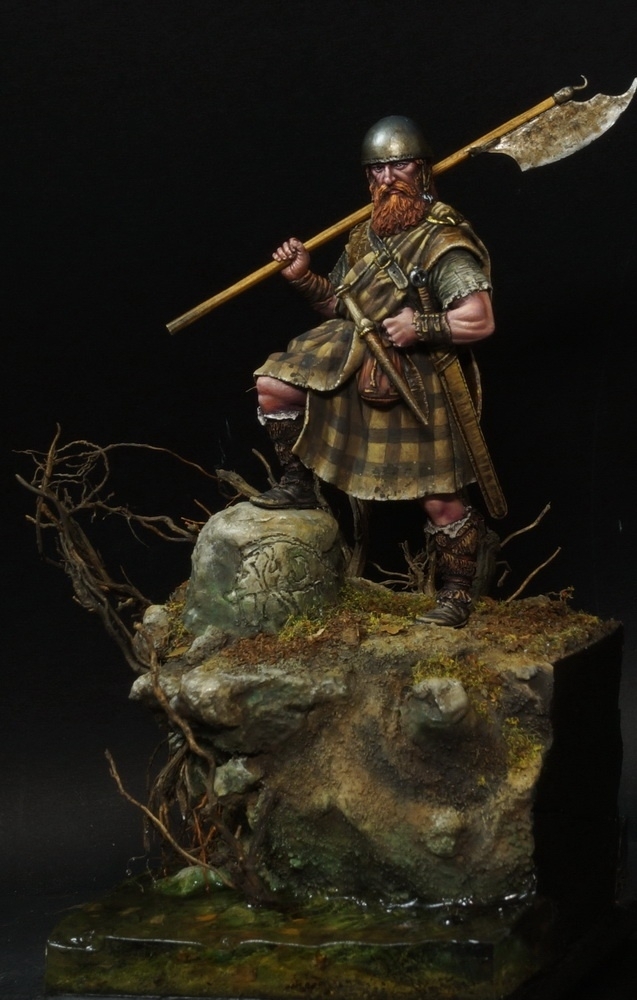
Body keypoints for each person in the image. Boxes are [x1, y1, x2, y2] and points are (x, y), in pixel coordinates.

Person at [251, 116, 499, 628]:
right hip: (359, 356)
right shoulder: (364, 237)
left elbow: (479, 319)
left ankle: (456, 595)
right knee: (273, 387)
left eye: (398, 165)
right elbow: (341, 306)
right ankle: (296, 483)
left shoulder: (443, 241)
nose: (387, 179)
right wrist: (305, 278)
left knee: (440, 499)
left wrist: (420, 325)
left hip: (420, 376)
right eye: (377, 170)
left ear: (422, 170)